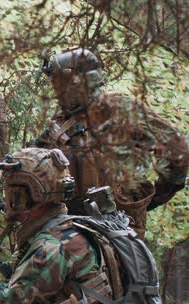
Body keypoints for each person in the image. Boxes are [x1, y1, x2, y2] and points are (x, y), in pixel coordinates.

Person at [0, 147, 163, 304]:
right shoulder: (72, 228)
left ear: (24, 196)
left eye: (11, 191)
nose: (7, 199)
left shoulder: (53, 245)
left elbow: (12, 301)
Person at [33, 48, 188, 239]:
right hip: (67, 228)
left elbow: (178, 149)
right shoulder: (61, 122)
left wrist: (152, 198)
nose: (55, 91)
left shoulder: (121, 110)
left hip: (117, 229)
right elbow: (32, 164)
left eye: (58, 84)